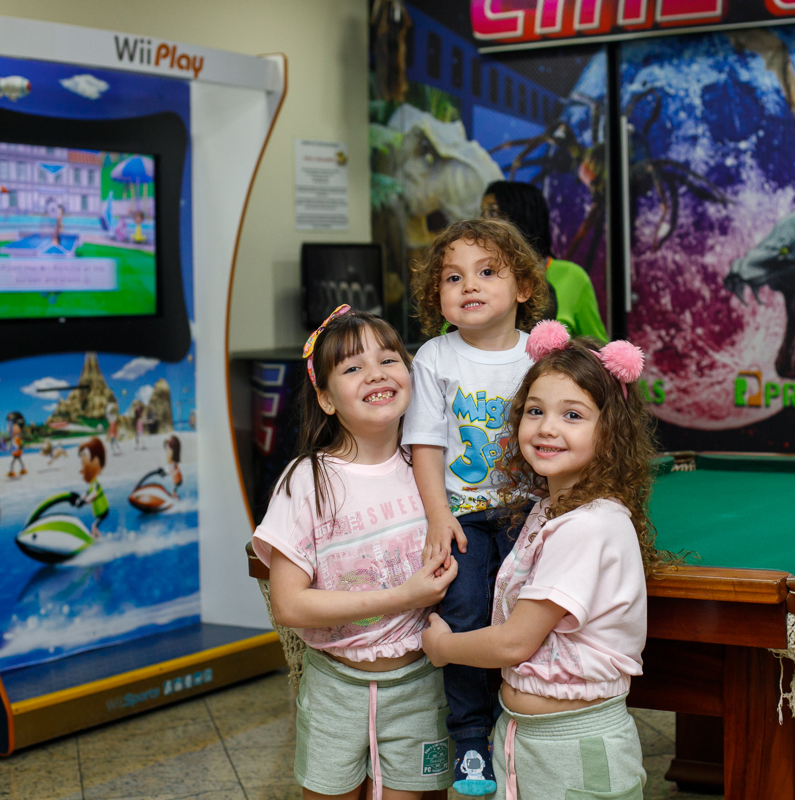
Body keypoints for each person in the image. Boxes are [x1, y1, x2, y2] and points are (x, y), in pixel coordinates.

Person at [421, 321, 663, 800]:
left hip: (574, 749)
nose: (547, 427)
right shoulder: (548, 510)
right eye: (535, 411)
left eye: (572, 415)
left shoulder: (589, 524)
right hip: (523, 741)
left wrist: (444, 648)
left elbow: (515, 642)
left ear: (610, 430)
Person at [252, 307, 459, 800]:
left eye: (389, 359)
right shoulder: (308, 480)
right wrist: (402, 595)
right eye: (351, 368)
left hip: (422, 683)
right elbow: (289, 605)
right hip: (335, 688)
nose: (376, 374)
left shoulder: (435, 470)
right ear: (325, 399)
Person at [404, 217, 549, 795]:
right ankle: (469, 740)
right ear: (435, 294)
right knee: (464, 616)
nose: (469, 285)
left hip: (530, 515)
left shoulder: (542, 352)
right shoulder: (435, 358)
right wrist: (439, 517)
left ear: (523, 288)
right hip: (463, 517)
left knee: (524, 618)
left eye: (488, 272)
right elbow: (426, 446)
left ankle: (522, 723)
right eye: (453, 276)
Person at [481, 181, 607, 341]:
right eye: (481, 213)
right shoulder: (478, 279)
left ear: (522, 216)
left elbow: (600, 354)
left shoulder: (572, 276)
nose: (483, 221)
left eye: (492, 212)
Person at [76, 438, 109, 538]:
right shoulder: (92, 484)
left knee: (94, 525)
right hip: (99, 511)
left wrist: (86, 501)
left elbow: (94, 494)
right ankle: (97, 537)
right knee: (94, 525)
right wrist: (80, 499)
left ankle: (98, 539)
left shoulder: (96, 484)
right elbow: (86, 493)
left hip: (103, 510)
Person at [7, 411, 26, 477]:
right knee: (18, 461)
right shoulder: (15, 437)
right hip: (16, 452)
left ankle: (12, 471)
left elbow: (18, 444)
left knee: (14, 462)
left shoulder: (17, 437)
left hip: (17, 452)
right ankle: (22, 470)